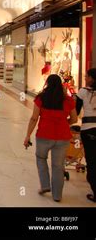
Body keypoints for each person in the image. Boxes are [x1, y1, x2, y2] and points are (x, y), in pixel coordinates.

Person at [23, 74, 77, 202]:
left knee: (41, 159)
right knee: (58, 166)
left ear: (47, 83)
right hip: (62, 137)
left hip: (44, 135)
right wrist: (64, 124)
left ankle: (45, 185)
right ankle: (57, 196)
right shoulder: (68, 100)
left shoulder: (41, 98)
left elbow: (34, 118)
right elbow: (74, 119)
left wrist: (27, 135)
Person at [75, 68, 96, 203]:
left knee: (92, 160)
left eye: (87, 76)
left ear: (92, 78)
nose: (85, 78)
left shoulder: (83, 92)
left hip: (88, 129)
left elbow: (75, 111)